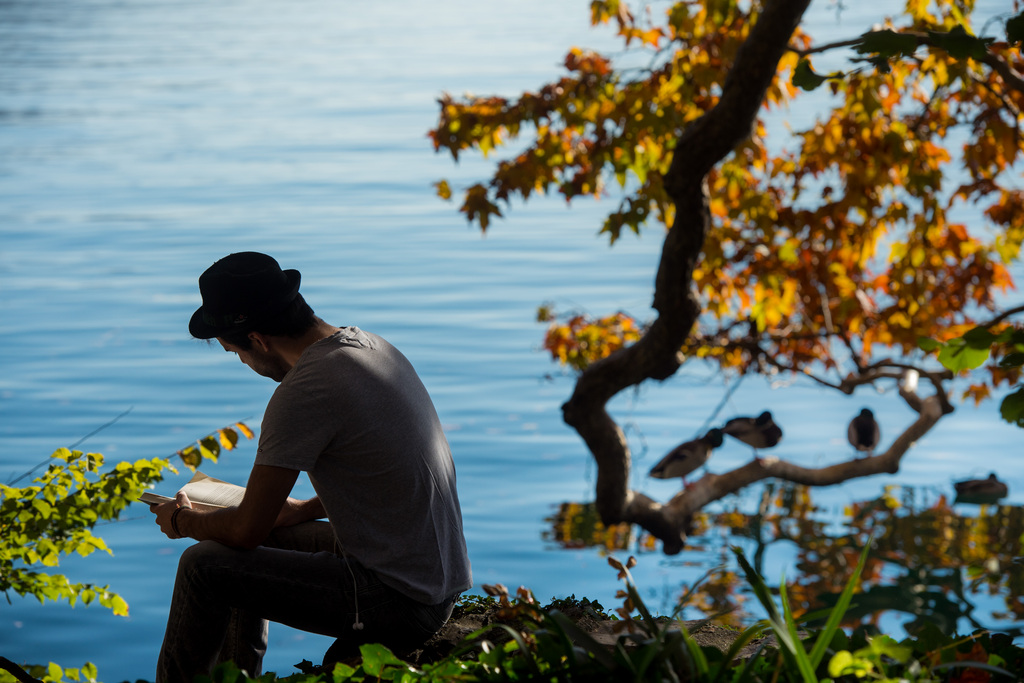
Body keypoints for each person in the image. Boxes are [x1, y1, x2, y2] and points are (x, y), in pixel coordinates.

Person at [150, 251, 472, 683]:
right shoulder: (373, 348)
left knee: (203, 566)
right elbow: (386, 471)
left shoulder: (304, 391)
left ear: (258, 339)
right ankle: (238, 677)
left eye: (235, 353)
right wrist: (302, 510)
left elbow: (245, 530)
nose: (243, 363)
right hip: (432, 572)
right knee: (260, 538)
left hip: (398, 598)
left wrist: (183, 520)